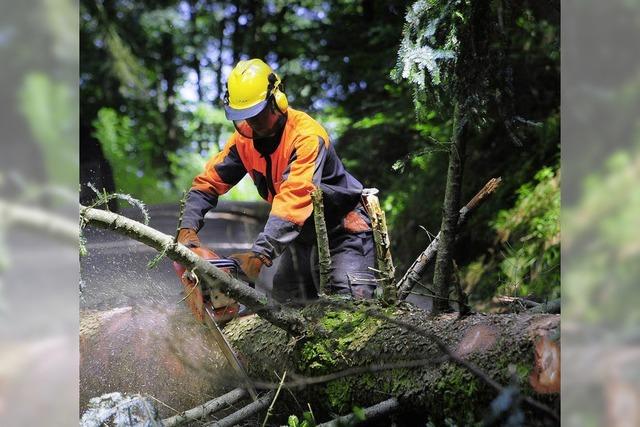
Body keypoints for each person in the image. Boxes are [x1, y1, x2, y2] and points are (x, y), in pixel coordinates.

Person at [178, 58, 376, 302]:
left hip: (344, 228)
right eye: (244, 117)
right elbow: (206, 184)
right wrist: (188, 229)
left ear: (277, 101)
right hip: (301, 233)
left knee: (348, 304)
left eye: (257, 116)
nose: (251, 124)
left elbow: (294, 199)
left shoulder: (306, 137)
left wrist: (258, 257)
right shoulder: (244, 142)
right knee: (288, 302)